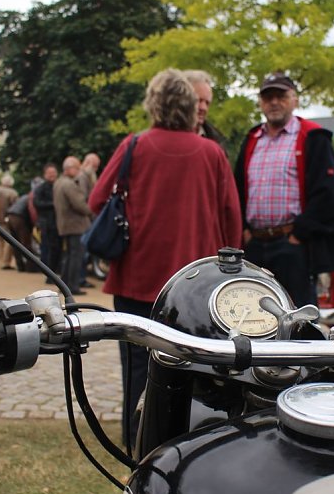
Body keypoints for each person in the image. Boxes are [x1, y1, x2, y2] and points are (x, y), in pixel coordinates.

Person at [89, 68, 241, 446]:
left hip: (136, 280)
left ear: (153, 104)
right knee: (198, 370)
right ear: (191, 105)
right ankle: (190, 445)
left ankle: (136, 447)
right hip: (196, 290)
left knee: (137, 370)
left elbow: (97, 200)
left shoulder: (134, 145)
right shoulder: (212, 153)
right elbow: (232, 222)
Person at [233, 72, 334, 307]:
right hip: (255, 245)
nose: (274, 102)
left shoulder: (312, 137)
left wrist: (300, 234)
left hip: (292, 245)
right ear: (260, 103)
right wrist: (245, 230)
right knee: (253, 313)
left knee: (296, 314)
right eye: (268, 97)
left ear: (294, 100)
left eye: (281, 96)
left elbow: (329, 192)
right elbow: (236, 189)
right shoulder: (252, 139)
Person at [54, 156, 93, 294]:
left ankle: (64, 285)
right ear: (70, 169)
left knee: (69, 256)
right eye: (77, 168)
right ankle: (73, 286)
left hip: (65, 225)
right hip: (76, 225)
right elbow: (80, 204)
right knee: (76, 257)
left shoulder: (58, 182)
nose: (79, 171)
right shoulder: (69, 184)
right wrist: (92, 211)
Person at [33, 163, 62, 280]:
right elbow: (37, 203)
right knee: (48, 249)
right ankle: (49, 276)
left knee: (57, 249)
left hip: (58, 223)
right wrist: (54, 204)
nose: (52, 175)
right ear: (45, 175)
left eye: (54, 173)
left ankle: (56, 273)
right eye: (49, 173)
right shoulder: (41, 188)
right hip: (47, 224)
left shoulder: (59, 186)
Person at [183, 69, 227, 146]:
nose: (203, 108)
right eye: (198, 101)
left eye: (207, 103)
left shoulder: (216, 142)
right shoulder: (164, 137)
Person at [5, 192, 39, 272]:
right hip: (19, 217)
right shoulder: (33, 197)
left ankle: (20, 266)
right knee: (27, 244)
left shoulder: (25, 196)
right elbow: (32, 212)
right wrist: (35, 224)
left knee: (15, 243)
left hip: (10, 216)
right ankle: (30, 268)